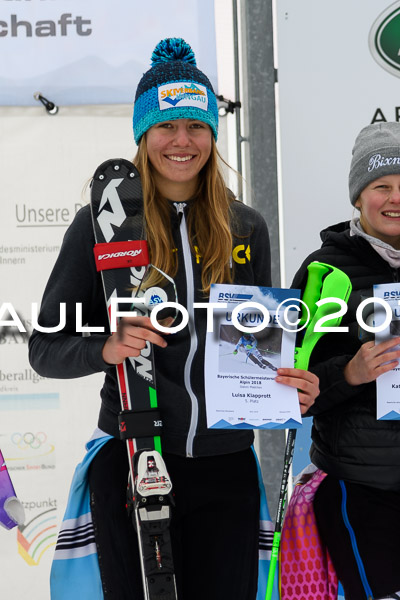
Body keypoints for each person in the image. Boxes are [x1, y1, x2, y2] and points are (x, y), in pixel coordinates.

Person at [29, 38, 318, 600]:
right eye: (166, 126)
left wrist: (286, 387)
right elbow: (45, 350)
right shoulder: (102, 223)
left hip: (225, 466)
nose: (182, 141)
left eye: (196, 125)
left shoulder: (245, 227)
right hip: (135, 459)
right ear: (143, 136)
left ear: (213, 133)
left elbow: (255, 348)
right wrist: (104, 348)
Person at [291, 122, 400, 600]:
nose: (396, 198)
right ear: (358, 197)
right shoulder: (327, 272)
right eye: (382, 187)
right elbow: (292, 391)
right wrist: (350, 373)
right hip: (363, 487)